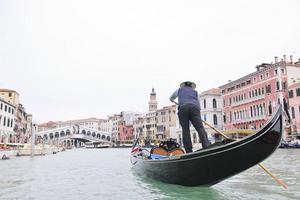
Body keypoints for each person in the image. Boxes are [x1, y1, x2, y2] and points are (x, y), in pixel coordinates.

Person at [170, 81, 211, 153]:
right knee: (200, 127)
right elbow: (198, 103)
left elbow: (171, 97)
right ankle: (206, 145)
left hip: (183, 108)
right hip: (195, 108)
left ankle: (189, 150)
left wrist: (172, 100)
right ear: (191, 86)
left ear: (183, 86)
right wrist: (197, 114)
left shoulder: (179, 90)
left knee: (185, 130)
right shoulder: (195, 92)